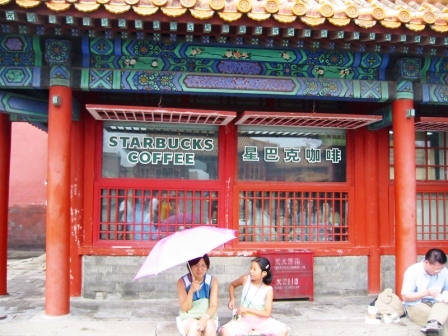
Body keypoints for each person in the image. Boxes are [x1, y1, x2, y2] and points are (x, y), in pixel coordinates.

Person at [219, 257, 289, 336]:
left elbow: (267, 314)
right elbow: (232, 285)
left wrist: (247, 309)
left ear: (264, 273)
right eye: (251, 268)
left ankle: (254, 332)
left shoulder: (268, 290)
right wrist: (232, 299)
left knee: (284, 330)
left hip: (261, 321)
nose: (251, 271)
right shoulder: (245, 279)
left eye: (254, 269)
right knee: (224, 331)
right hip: (242, 318)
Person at [401, 248, 448, 335]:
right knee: (443, 320)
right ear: (426, 263)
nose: (439, 271)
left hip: (437, 303)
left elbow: (446, 289)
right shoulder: (412, 271)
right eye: (436, 269)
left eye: (441, 268)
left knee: (444, 306)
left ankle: (433, 324)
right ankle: (434, 323)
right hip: (416, 304)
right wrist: (426, 293)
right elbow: (405, 296)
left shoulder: (444, 271)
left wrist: (444, 295)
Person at [176, 254, 219, 336]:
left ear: (207, 267)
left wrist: (205, 318)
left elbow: (213, 306)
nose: (200, 269)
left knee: (209, 327)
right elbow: (185, 308)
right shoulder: (182, 282)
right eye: (196, 265)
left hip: (208, 315)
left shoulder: (212, 281)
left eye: (203, 265)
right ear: (190, 266)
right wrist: (191, 291)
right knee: (195, 328)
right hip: (189, 317)